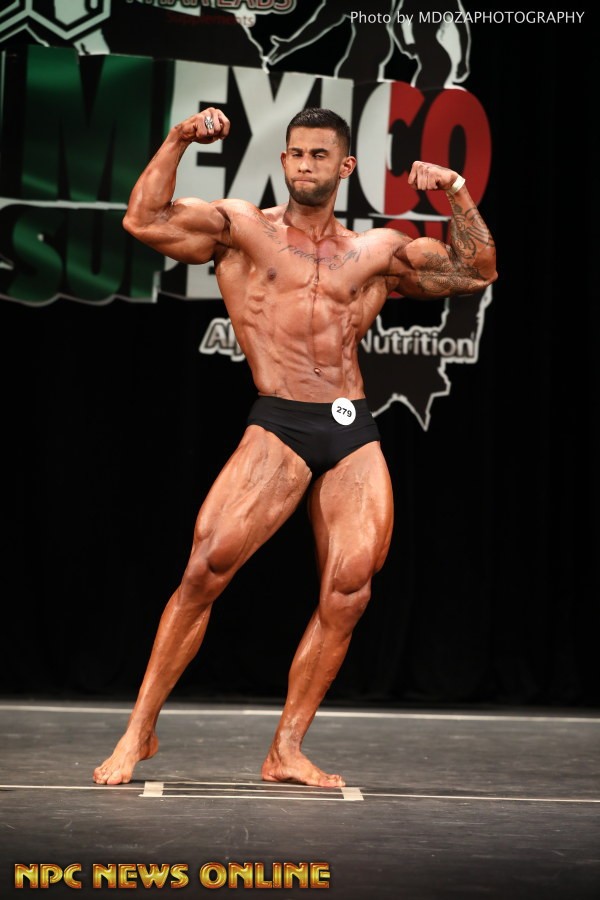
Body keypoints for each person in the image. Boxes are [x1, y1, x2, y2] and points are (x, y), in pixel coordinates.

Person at [93, 106, 496, 788]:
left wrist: (455, 190)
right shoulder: (241, 229)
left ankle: (285, 749)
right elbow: (144, 218)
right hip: (280, 420)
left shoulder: (376, 252)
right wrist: (179, 138)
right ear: (282, 161)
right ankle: (139, 730)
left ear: (345, 166)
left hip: (350, 425)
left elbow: (476, 270)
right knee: (206, 569)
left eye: (319, 154)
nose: (305, 164)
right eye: (296, 153)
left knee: (350, 589)